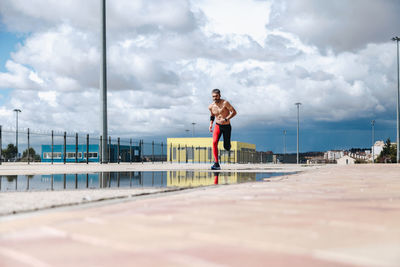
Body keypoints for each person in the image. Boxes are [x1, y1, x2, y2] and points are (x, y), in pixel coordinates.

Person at [208, 89, 237, 170]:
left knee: (226, 147)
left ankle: (227, 145)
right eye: (213, 97)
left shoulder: (225, 103)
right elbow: (212, 115)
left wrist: (226, 119)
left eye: (216, 96)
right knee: (214, 142)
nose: (215, 98)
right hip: (217, 126)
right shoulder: (211, 106)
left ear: (220, 95)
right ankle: (216, 163)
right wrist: (211, 124)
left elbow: (234, 112)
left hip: (227, 126)